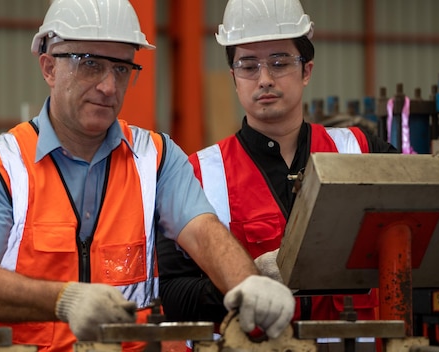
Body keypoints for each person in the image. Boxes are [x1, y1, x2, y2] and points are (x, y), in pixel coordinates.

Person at [0, 0, 296, 351]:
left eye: (122, 69)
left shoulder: (155, 158)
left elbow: (203, 231)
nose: (109, 87)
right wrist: (64, 300)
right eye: (91, 65)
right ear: (49, 68)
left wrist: (246, 283)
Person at [157, 0, 398, 344]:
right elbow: (170, 293)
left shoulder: (361, 151)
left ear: (307, 70)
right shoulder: (195, 174)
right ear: (234, 77)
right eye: (248, 65)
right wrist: (244, 283)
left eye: (280, 62)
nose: (265, 79)